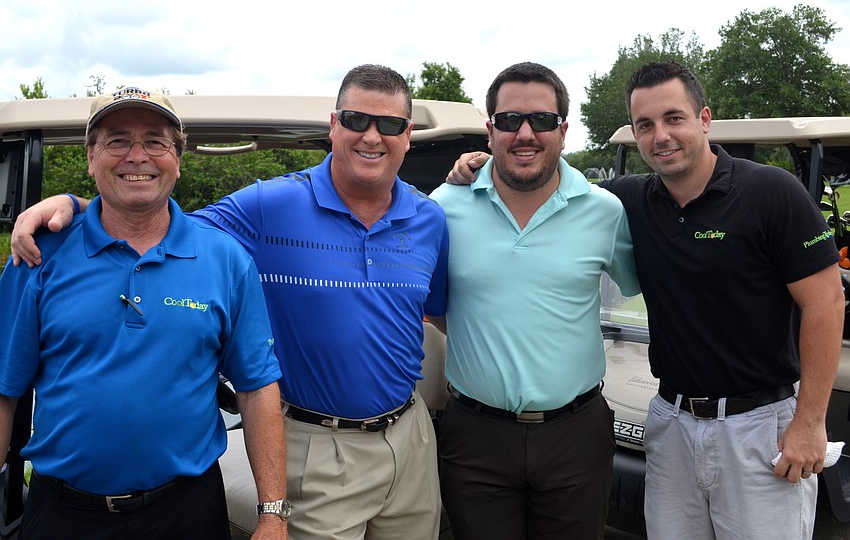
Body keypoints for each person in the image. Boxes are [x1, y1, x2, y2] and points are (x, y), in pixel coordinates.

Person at [11, 65, 447, 540]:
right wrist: (76, 205)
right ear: (333, 125)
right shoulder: (268, 206)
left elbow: (442, 310)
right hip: (319, 444)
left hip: (410, 437)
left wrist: (474, 166)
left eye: (389, 124)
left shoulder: (431, 217)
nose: (372, 136)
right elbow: (151, 214)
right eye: (356, 120)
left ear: (408, 135)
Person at [448, 61, 845, 540]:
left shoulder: (771, 192)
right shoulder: (626, 201)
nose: (661, 136)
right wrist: (483, 163)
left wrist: (811, 422)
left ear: (704, 119)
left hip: (759, 424)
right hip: (671, 420)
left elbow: (827, 303)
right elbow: (548, 186)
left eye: (674, 118)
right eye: (645, 125)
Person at [0, 87, 288, 540]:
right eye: (117, 141)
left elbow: (256, 387)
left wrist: (273, 515)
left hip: (188, 511)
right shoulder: (37, 255)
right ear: (90, 157)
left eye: (156, 141)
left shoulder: (226, 259)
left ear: (178, 158)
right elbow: (4, 390)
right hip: (63, 514)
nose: (138, 156)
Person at [425, 62, 640, 540]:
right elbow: (433, 306)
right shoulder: (443, 206)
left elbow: (642, 285)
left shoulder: (605, 211)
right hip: (475, 436)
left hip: (575, 434)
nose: (525, 133)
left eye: (542, 120)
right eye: (509, 120)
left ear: (563, 130)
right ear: (490, 131)